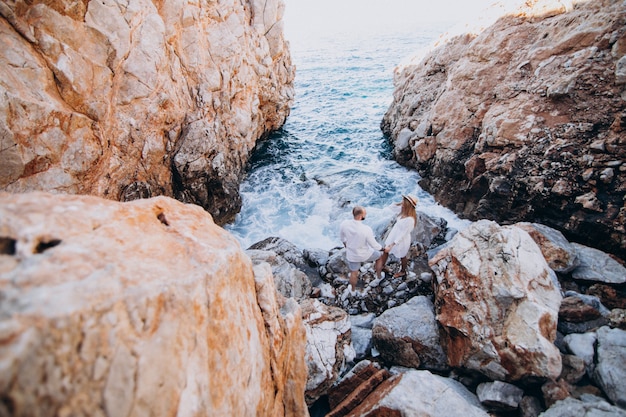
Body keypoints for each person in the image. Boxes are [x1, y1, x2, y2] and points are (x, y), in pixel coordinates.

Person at [339, 205, 384, 293]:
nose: (365, 215)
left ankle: (352, 290)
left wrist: (346, 246)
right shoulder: (366, 229)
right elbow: (374, 245)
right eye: (365, 214)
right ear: (360, 216)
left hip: (352, 255)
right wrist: (382, 249)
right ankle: (379, 276)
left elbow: (342, 238)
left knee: (354, 273)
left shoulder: (344, 224)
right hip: (365, 254)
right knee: (379, 257)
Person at [379, 194, 418, 278]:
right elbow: (391, 207)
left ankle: (403, 271)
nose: (403, 202)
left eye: (404, 201)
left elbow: (403, 235)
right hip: (394, 233)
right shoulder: (402, 210)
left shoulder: (410, 220)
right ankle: (382, 266)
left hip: (401, 239)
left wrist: (393, 244)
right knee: (386, 250)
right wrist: (399, 203)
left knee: (402, 255)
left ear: (408, 205)